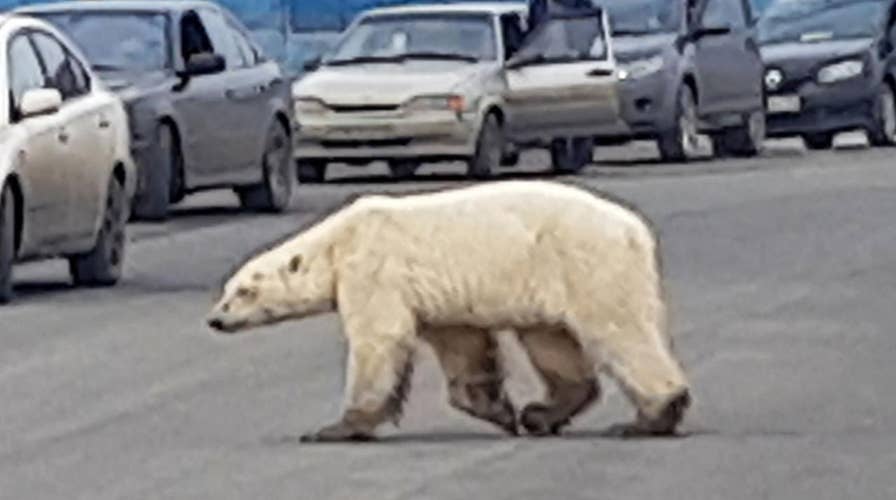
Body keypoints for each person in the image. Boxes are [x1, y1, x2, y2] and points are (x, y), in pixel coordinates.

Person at [527, 0, 595, 32]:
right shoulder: (537, 5)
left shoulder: (581, 3)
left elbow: (590, 14)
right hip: (541, 54)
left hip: (575, 53)